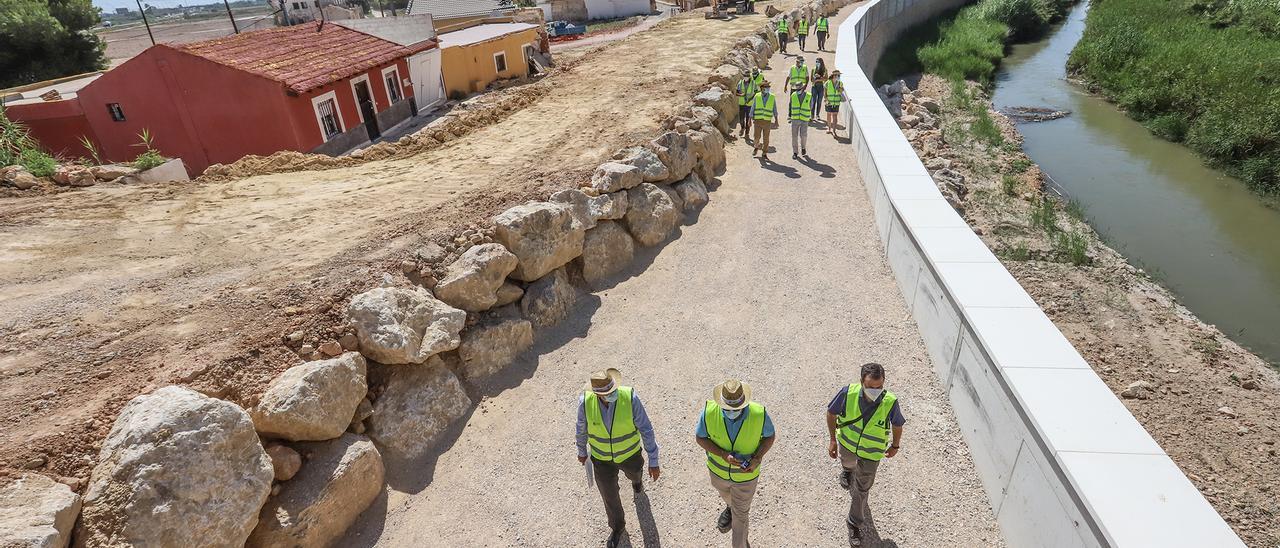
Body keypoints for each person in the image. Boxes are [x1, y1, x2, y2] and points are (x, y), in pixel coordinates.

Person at [576, 368, 662, 548]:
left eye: (613, 389)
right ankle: (617, 527)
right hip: (601, 460)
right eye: (607, 393)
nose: (612, 394)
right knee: (609, 496)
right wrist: (582, 450)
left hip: (630, 455)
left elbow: (646, 429)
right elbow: (581, 427)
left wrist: (653, 460)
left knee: (635, 474)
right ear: (598, 394)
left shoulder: (630, 398)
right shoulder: (585, 403)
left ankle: (637, 482)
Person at [825, 363, 905, 545]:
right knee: (847, 463)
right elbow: (831, 413)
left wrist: (896, 445)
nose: (875, 391)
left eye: (879, 387)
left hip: (872, 454)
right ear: (861, 382)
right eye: (870, 387)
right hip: (847, 445)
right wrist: (831, 440)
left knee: (862, 489)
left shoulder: (890, 401)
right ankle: (848, 471)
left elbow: (897, 424)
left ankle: (854, 523)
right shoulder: (848, 393)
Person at [696, 380, 776, 548]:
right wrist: (722, 454)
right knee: (729, 500)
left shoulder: (758, 414)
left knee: (740, 518)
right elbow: (700, 437)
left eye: (736, 409)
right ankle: (730, 506)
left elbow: (770, 436)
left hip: (746, 479)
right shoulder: (709, 412)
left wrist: (757, 458)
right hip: (718, 476)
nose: (731, 412)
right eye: (727, 409)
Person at [750, 80, 778, 160]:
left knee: (766, 139)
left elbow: (774, 108)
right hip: (757, 121)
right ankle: (756, 147)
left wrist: (776, 120)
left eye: (768, 87)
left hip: (767, 121)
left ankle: (764, 153)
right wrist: (750, 119)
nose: (768, 88)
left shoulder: (772, 97)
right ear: (762, 88)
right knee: (756, 137)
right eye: (766, 87)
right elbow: (753, 107)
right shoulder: (757, 96)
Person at [788, 82, 813, 159]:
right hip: (795, 119)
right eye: (797, 89)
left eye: (799, 89)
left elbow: (811, 106)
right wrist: (789, 115)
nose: (798, 90)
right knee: (794, 136)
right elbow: (790, 105)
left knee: (803, 135)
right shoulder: (793, 95)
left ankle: (803, 148)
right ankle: (795, 152)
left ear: (803, 88)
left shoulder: (809, 96)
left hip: (804, 119)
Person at [735, 69, 759, 139]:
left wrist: (750, 99)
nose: (746, 77)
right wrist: (741, 95)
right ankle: (742, 127)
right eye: (744, 76)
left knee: (748, 119)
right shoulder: (740, 83)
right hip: (742, 104)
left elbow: (756, 92)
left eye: (747, 76)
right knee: (741, 119)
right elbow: (736, 93)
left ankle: (747, 133)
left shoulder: (753, 83)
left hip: (749, 104)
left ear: (749, 76)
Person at [824, 69, 845, 136]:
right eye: (838, 75)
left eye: (839, 75)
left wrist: (840, 88)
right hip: (829, 102)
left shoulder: (840, 83)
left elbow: (841, 91)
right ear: (834, 75)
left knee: (835, 116)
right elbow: (825, 93)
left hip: (836, 102)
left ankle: (834, 130)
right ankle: (829, 128)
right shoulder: (827, 83)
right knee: (829, 115)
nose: (839, 76)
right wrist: (826, 99)